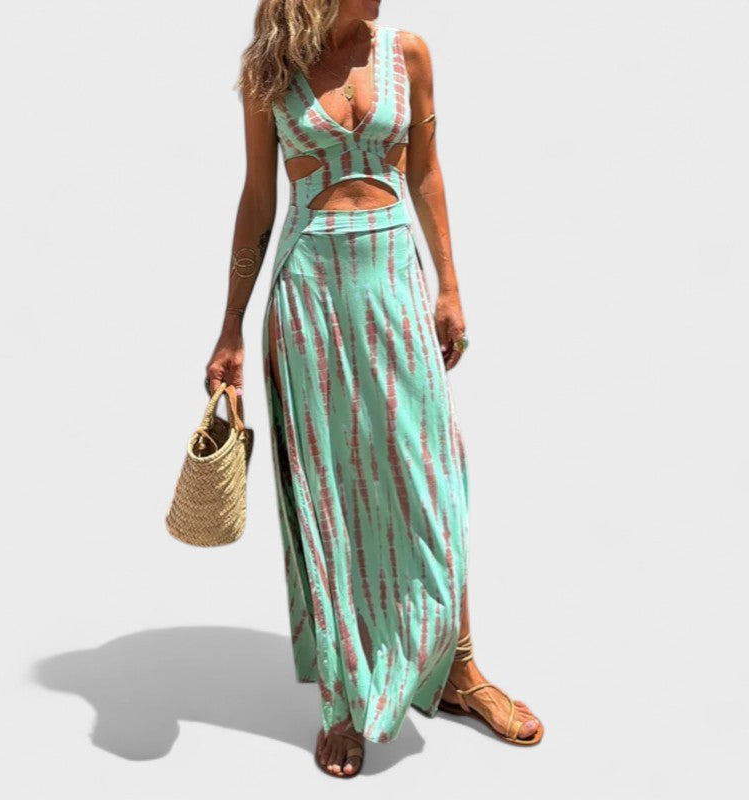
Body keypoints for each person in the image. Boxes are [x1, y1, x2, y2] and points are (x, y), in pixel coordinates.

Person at [205, 0, 544, 777]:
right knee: (333, 492)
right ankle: (343, 699)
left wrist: (449, 286)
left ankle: (460, 672)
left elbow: (424, 170)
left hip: (392, 277)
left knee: (433, 477)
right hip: (310, 289)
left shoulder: (408, 53)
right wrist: (230, 326)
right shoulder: (270, 70)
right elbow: (258, 200)